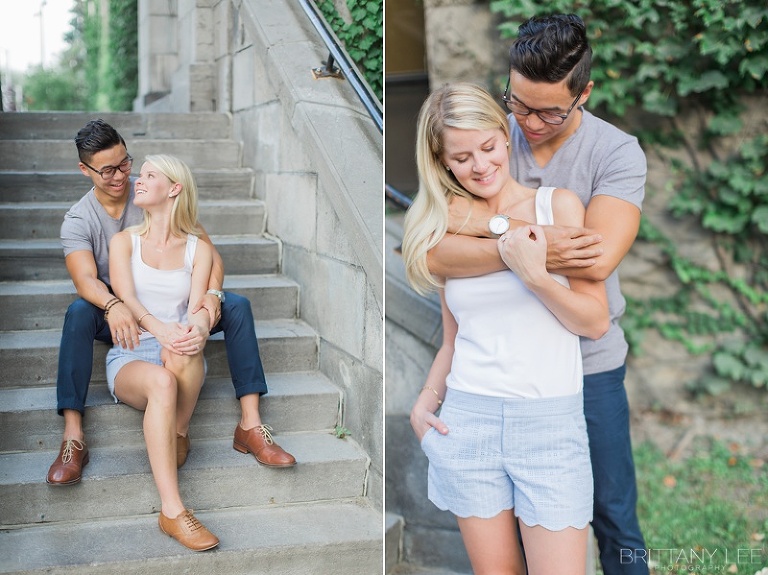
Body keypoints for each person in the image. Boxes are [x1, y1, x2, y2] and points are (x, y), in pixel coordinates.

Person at [415, 14, 649, 575]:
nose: (529, 122)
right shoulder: (489, 135)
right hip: (490, 387)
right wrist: (509, 242)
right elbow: (430, 247)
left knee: (613, 515)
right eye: (518, 104)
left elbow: (594, 255)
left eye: (547, 110)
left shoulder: (615, 153)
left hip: (585, 367)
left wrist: (499, 234)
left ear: (583, 93)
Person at [402, 82, 609, 575]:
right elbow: (454, 337)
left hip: (549, 424)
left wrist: (536, 276)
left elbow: (595, 321)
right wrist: (424, 402)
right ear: (442, 161)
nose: (480, 166)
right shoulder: (445, 229)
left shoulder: (556, 207)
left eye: (489, 147)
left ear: (505, 133)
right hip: (469, 418)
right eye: (462, 157)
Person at [47, 119, 295, 488]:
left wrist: (211, 299)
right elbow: (85, 280)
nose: (121, 177)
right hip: (115, 311)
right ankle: (73, 434)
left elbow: (211, 259)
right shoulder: (80, 219)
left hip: (173, 308)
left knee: (237, 305)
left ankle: (250, 423)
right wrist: (115, 306)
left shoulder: (154, 191)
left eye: (125, 164)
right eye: (108, 170)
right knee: (79, 311)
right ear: (86, 170)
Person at [107, 154, 217, 550]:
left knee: (184, 353)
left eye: (150, 175)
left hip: (178, 348)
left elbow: (196, 307)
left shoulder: (197, 250)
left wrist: (197, 328)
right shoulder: (123, 242)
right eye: (142, 173)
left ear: (174, 189)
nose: (138, 179)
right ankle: (173, 511)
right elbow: (128, 300)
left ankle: (178, 430)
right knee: (162, 381)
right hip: (132, 351)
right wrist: (160, 329)